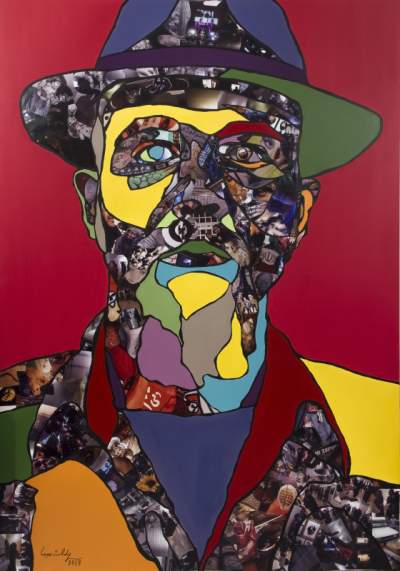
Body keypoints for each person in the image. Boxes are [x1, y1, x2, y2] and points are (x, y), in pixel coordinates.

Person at [0, 1, 398, 570]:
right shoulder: (9, 428)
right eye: (154, 152)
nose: (200, 199)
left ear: (300, 213)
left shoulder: (388, 438)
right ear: (93, 206)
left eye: (248, 154)